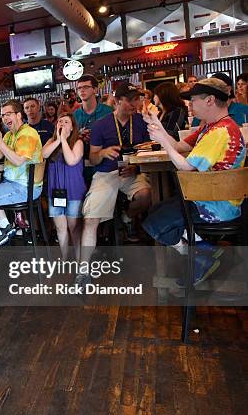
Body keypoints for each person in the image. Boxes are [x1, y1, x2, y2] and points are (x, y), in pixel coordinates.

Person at [143, 78, 246, 284]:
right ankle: (202, 249)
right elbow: (178, 146)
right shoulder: (210, 127)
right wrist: (158, 126)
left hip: (216, 206)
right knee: (155, 212)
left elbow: (185, 166)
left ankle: (203, 253)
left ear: (209, 100)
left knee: (154, 223)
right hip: (208, 198)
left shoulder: (220, 132)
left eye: (193, 100)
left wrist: (163, 142)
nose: (190, 105)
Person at [79, 81, 152, 283]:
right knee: (91, 219)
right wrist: (102, 152)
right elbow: (93, 159)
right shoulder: (101, 124)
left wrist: (136, 167)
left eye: (137, 99)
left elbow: (148, 151)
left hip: (132, 172)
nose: (135, 104)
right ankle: (83, 272)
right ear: (119, 101)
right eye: (131, 100)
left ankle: (127, 217)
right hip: (106, 173)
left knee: (146, 196)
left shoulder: (140, 121)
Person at [0, 99, 42, 250]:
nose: (4, 118)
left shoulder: (27, 134)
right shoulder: (10, 134)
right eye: (2, 115)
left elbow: (18, 161)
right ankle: (5, 227)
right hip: (11, 183)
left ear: (19, 115)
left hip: (25, 188)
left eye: (8, 114)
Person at [42, 113, 85, 259]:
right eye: (59, 121)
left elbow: (72, 160)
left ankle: (80, 262)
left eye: (66, 122)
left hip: (73, 191)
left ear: (72, 127)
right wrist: (58, 140)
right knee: (60, 228)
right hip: (55, 191)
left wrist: (64, 141)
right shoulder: (51, 141)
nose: (62, 123)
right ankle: (66, 258)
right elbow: (44, 154)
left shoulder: (78, 142)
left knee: (74, 229)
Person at [73, 74, 113, 144]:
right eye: (79, 88)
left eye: (86, 87)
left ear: (95, 89)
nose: (82, 90)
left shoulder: (109, 112)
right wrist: (79, 136)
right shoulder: (74, 116)